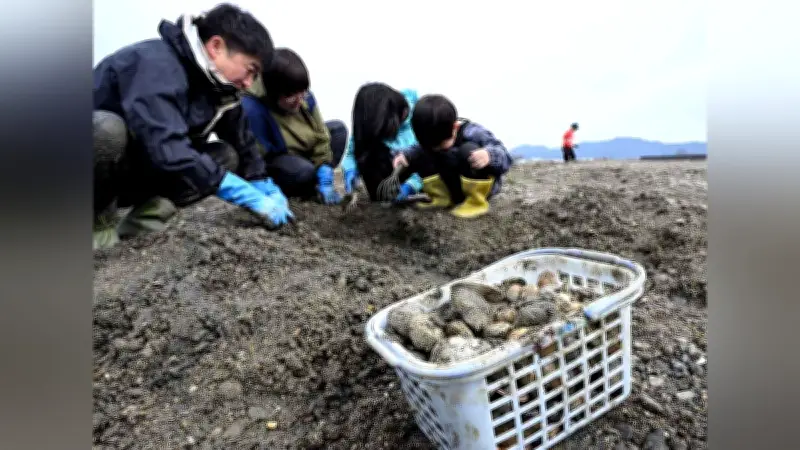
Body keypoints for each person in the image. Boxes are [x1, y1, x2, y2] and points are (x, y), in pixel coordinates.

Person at [92, 4, 294, 250]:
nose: (248, 83)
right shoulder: (154, 65)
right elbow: (167, 146)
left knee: (225, 156)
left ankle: (143, 222)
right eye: (250, 70)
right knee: (107, 130)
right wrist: (238, 191)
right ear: (216, 46)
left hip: (139, 173)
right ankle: (97, 225)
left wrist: (261, 180)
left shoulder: (220, 87)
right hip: (94, 169)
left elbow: (243, 142)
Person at [241, 48, 348, 204]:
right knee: (303, 172)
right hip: (278, 156)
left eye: (302, 93)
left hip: (303, 149)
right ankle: (307, 183)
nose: (300, 101)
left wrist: (324, 164)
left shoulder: (302, 95)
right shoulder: (253, 109)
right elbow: (257, 158)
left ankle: (323, 179)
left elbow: (320, 134)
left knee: (338, 129)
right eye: (291, 96)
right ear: (273, 93)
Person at [393, 94, 514, 218]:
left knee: (468, 150)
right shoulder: (428, 141)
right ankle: (441, 197)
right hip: (449, 186)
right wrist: (404, 156)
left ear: (455, 127)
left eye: (442, 145)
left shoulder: (473, 132)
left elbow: (506, 157)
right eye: (431, 146)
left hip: (476, 187)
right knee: (419, 154)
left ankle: (475, 201)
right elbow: (415, 150)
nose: (437, 149)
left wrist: (489, 155)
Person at [339, 82, 425, 202]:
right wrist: (350, 170)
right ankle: (383, 194)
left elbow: (431, 160)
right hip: (387, 176)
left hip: (419, 175)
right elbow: (352, 153)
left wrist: (411, 185)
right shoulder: (373, 121)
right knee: (366, 149)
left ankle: (403, 192)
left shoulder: (422, 116)